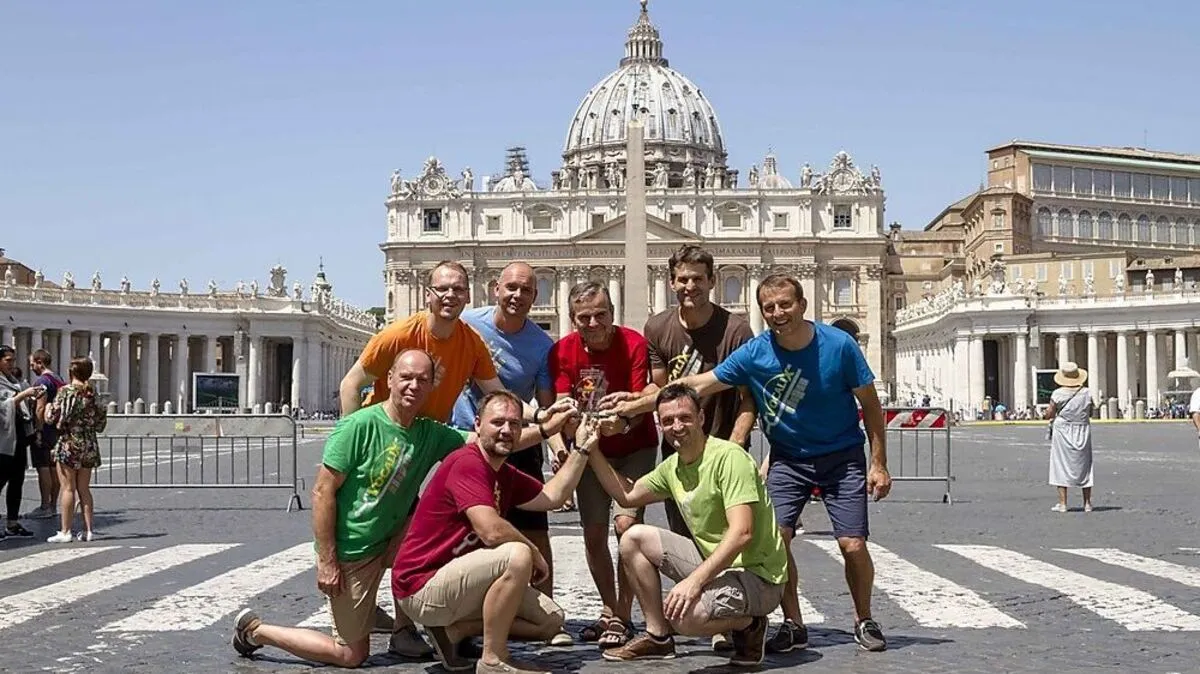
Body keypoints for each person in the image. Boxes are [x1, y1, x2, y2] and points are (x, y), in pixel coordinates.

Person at [231, 350, 577, 668]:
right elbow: (322, 492)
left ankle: (409, 629)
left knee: (439, 533)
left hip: (397, 538)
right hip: (354, 550)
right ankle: (256, 631)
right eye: (406, 377)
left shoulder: (430, 433)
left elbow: (488, 440)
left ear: (431, 385)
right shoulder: (358, 426)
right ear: (390, 379)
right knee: (349, 655)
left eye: (423, 379)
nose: (414, 385)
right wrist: (327, 559)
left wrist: (546, 429)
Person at [610, 274, 893, 653]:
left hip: (841, 457)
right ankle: (793, 623)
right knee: (778, 539)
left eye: (785, 304)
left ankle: (864, 617)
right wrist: (635, 405)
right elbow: (697, 384)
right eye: (769, 307)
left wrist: (878, 462)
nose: (778, 313)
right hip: (788, 458)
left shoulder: (839, 345)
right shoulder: (756, 352)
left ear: (802, 305)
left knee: (852, 544)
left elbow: (871, 405)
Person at [607, 244, 757, 652]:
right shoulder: (658, 327)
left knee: (729, 535)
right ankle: (684, 615)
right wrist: (629, 407)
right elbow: (661, 392)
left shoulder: (736, 331)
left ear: (712, 281)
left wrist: (734, 446)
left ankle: (729, 617)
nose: (690, 286)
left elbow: (749, 398)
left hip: (723, 448)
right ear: (671, 282)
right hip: (678, 451)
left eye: (698, 279)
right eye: (683, 279)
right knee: (686, 535)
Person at [392, 391, 599, 674]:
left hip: (459, 579)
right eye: (498, 422)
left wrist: (582, 449)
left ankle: (453, 631)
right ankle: (493, 658)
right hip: (421, 585)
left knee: (550, 620)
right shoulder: (467, 462)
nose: (506, 430)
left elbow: (552, 496)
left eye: (514, 424)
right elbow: (490, 530)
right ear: (477, 425)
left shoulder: (503, 472)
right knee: (517, 554)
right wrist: (535, 553)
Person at [588, 384, 786, 666]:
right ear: (660, 425)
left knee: (684, 618)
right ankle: (658, 637)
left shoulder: (729, 457)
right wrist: (592, 449)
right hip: (717, 564)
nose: (677, 427)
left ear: (701, 418)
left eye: (685, 418)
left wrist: (694, 582)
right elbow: (627, 495)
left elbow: (742, 533)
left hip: (758, 576)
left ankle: (751, 625)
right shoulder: (673, 466)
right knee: (632, 538)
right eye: (668, 421)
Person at [450, 262, 571, 647]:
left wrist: (558, 447)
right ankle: (464, 614)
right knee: (466, 533)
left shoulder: (541, 345)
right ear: (496, 289)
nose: (518, 296)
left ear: (536, 296)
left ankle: (546, 611)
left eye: (527, 290)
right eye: (511, 288)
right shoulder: (467, 324)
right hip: (469, 443)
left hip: (519, 444)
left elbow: (546, 406)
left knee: (534, 528)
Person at [547, 281, 658, 649]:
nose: (594, 323)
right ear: (572, 319)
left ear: (613, 312)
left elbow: (641, 400)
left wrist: (622, 421)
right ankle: (609, 608)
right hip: (590, 448)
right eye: (584, 317)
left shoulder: (634, 343)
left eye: (601, 314)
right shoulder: (562, 350)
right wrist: (565, 435)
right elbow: (561, 401)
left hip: (635, 445)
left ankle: (624, 614)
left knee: (627, 527)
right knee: (593, 533)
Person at [340, 260, 560, 425]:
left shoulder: (473, 343)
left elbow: (498, 392)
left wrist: (539, 415)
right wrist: (351, 441)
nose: (450, 295)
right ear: (428, 295)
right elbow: (351, 384)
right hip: (381, 429)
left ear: (468, 296)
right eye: (442, 289)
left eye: (458, 289)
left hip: (426, 436)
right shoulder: (398, 335)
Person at [43, 357, 106, 543]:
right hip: (89, 444)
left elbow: (51, 418)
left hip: (69, 442)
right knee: (84, 489)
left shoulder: (65, 391)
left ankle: (65, 531)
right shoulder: (93, 393)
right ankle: (88, 530)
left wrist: (47, 408)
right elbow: (101, 423)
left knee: (68, 488)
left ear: (71, 372)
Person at [0, 346, 44, 540]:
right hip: (2, 439)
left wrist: (30, 397)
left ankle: (12, 522)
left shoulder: (13, 381)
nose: (12, 364)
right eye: (8, 360)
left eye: (13, 360)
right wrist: (22, 396)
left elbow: (18, 403)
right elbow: (3, 406)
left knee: (17, 481)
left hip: (18, 437)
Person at [1044, 362, 1094, 513]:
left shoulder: (1057, 394)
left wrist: (1047, 414)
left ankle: (1063, 503)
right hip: (1082, 429)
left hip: (1063, 430)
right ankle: (1087, 503)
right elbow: (1091, 412)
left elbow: (1049, 414)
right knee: (1085, 466)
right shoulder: (1087, 393)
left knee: (1060, 465)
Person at [27, 349, 64, 520]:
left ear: (40, 362)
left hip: (45, 430)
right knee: (54, 468)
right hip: (57, 429)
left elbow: (40, 408)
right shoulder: (58, 379)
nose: (31, 367)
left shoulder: (41, 381)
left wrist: (38, 430)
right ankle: (53, 505)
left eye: (32, 364)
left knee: (43, 468)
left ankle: (44, 506)